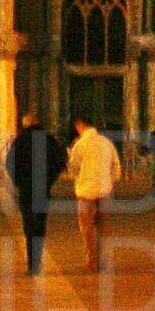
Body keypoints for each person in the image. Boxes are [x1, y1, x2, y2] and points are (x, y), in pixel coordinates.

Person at [6, 112, 66, 277]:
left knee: (28, 225)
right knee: (40, 224)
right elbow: (61, 160)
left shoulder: (20, 140)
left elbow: (10, 163)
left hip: (26, 188)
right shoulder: (49, 139)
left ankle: (32, 264)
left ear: (25, 124)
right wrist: (50, 179)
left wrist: (17, 180)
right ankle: (37, 261)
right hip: (42, 188)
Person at [68, 111, 122, 275]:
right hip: (105, 190)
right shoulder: (107, 143)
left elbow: (73, 168)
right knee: (103, 228)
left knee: (87, 228)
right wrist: (110, 181)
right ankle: (104, 262)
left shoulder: (80, 145)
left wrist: (77, 177)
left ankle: (92, 262)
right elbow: (116, 166)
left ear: (80, 126)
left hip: (86, 192)